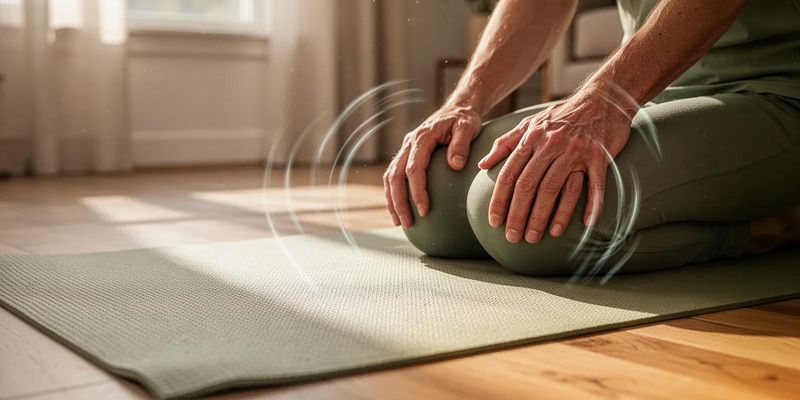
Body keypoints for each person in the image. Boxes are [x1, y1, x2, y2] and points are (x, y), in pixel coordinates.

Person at [383, 0, 800, 276]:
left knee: (534, 230)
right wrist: (463, 102)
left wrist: (607, 98)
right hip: (656, 91)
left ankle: (764, 227)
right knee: (435, 199)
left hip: (776, 90)